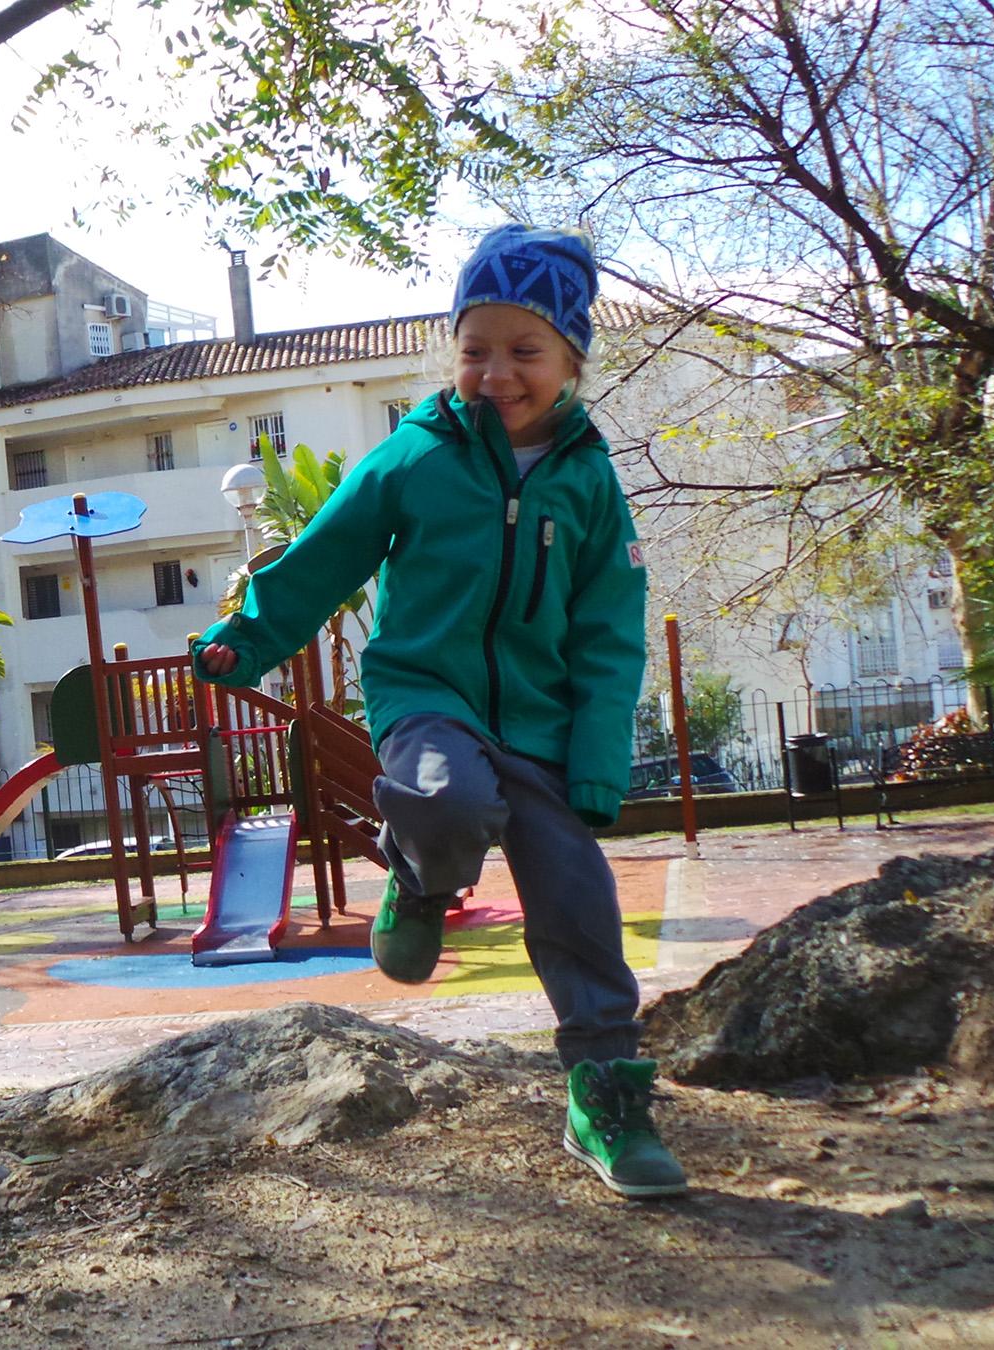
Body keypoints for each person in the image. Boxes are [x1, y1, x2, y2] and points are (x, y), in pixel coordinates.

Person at [192, 225, 686, 1197]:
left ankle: (604, 1095)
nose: (497, 374)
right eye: (475, 349)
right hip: (426, 695)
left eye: (525, 351)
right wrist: (248, 638)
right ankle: (418, 881)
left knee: (580, 903)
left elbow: (610, 631)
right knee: (444, 796)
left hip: (543, 725)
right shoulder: (415, 456)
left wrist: (595, 760)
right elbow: (325, 554)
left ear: (572, 362)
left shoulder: (588, 480)